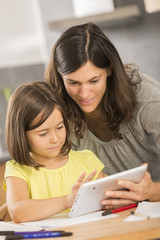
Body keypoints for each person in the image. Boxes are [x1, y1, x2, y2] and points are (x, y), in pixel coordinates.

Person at [45, 22, 160, 208]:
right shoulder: (58, 110)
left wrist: (152, 191)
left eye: (93, 80)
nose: (84, 94)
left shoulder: (147, 100)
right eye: (73, 82)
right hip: (108, 213)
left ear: (109, 69)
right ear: (60, 76)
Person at [3, 81, 104, 223]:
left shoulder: (87, 160)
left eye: (60, 127)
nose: (55, 139)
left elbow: (108, 200)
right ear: (21, 134)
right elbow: (18, 212)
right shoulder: (17, 171)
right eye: (43, 134)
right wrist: (67, 201)